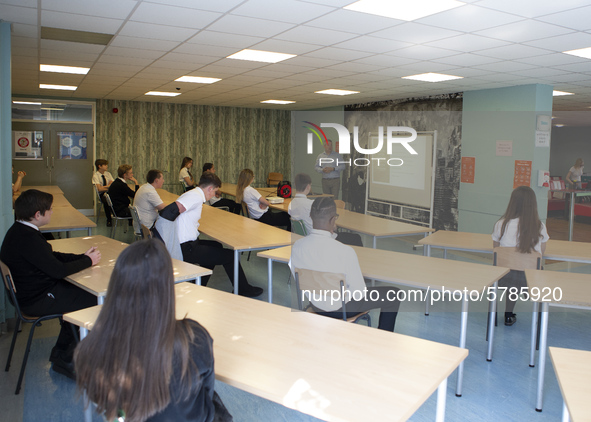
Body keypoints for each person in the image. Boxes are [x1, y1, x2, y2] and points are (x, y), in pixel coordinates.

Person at [75, 239, 232, 422]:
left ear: (117, 284)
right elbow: (206, 393)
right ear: (167, 286)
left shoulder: (90, 349)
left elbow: (110, 408)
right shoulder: (194, 338)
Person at [0, 189, 101, 379]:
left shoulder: (19, 230)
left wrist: (82, 257)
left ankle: (62, 352)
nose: (52, 212)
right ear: (38, 215)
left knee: (79, 295)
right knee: (94, 300)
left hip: (29, 292)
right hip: (35, 298)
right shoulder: (28, 239)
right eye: (50, 209)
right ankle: (68, 359)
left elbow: (50, 257)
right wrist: (88, 262)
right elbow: (58, 271)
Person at [290, 197, 401, 331]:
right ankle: (383, 340)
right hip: (341, 309)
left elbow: (297, 278)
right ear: (333, 220)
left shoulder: (297, 246)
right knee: (394, 294)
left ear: (310, 216)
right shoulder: (345, 251)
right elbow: (359, 293)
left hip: (315, 306)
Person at [174, 172, 263, 297]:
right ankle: (243, 289)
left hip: (187, 244)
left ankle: (197, 285)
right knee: (231, 256)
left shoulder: (193, 193)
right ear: (209, 188)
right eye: (215, 191)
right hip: (185, 248)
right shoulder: (195, 197)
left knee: (216, 246)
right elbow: (170, 211)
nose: (214, 195)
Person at [492, 186, 549, 326]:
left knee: (513, 281)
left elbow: (496, 250)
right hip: (530, 276)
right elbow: (541, 253)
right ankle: (539, 316)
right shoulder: (540, 226)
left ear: (512, 203)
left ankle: (508, 315)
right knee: (532, 273)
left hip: (504, 276)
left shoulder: (501, 224)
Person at [289, 173, 362, 246]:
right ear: (308, 186)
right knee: (356, 238)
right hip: (323, 239)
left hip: (307, 238)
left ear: (295, 185)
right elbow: (330, 224)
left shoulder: (291, 204)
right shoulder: (312, 205)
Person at [92, 159, 114, 226]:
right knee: (106, 200)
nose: (106, 166)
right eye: (105, 165)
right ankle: (109, 219)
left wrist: (105, 187)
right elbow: (99, 189)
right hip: (102, 194)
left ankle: (116, 213)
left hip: (110, 193)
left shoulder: (108, 174)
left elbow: (112, 184)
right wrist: (108, 186)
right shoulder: (96, 176)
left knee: (116, 197)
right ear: (100, 166)